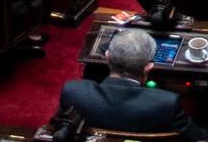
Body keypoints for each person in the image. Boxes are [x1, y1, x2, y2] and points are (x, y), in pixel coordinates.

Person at [58, 20, 190, 133]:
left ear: (107, 57)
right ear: (148, 67)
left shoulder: (73, 92)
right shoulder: (167, 103)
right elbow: (198, 136)